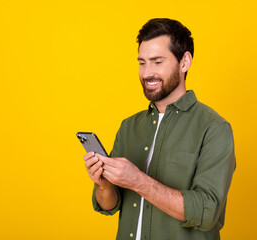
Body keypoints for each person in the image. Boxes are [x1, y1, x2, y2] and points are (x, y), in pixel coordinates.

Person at [83, 18, 236, 240]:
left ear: (184, 62)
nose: (146, 73)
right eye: (142, 62)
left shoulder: (214, 129)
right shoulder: (128, 127)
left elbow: (207, 211)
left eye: (157, 62)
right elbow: (109, 205)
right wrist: (104, 185)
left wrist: (138, 181)